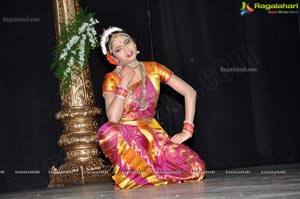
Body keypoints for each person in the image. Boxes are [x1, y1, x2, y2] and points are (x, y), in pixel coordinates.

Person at [97, 27, 205, 189]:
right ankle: (142, 171)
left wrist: (187, 130)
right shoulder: (112, 78)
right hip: (126, 135)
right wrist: (124, 83)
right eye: (119, 49)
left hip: (153, 134)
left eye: (127, 42)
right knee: (108, 132)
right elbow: (113, 118)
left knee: (196, 169)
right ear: (113, 58)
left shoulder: (154, 68)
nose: (126, 49)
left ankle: (148, 172)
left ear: (134, 43)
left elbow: (190, 92)